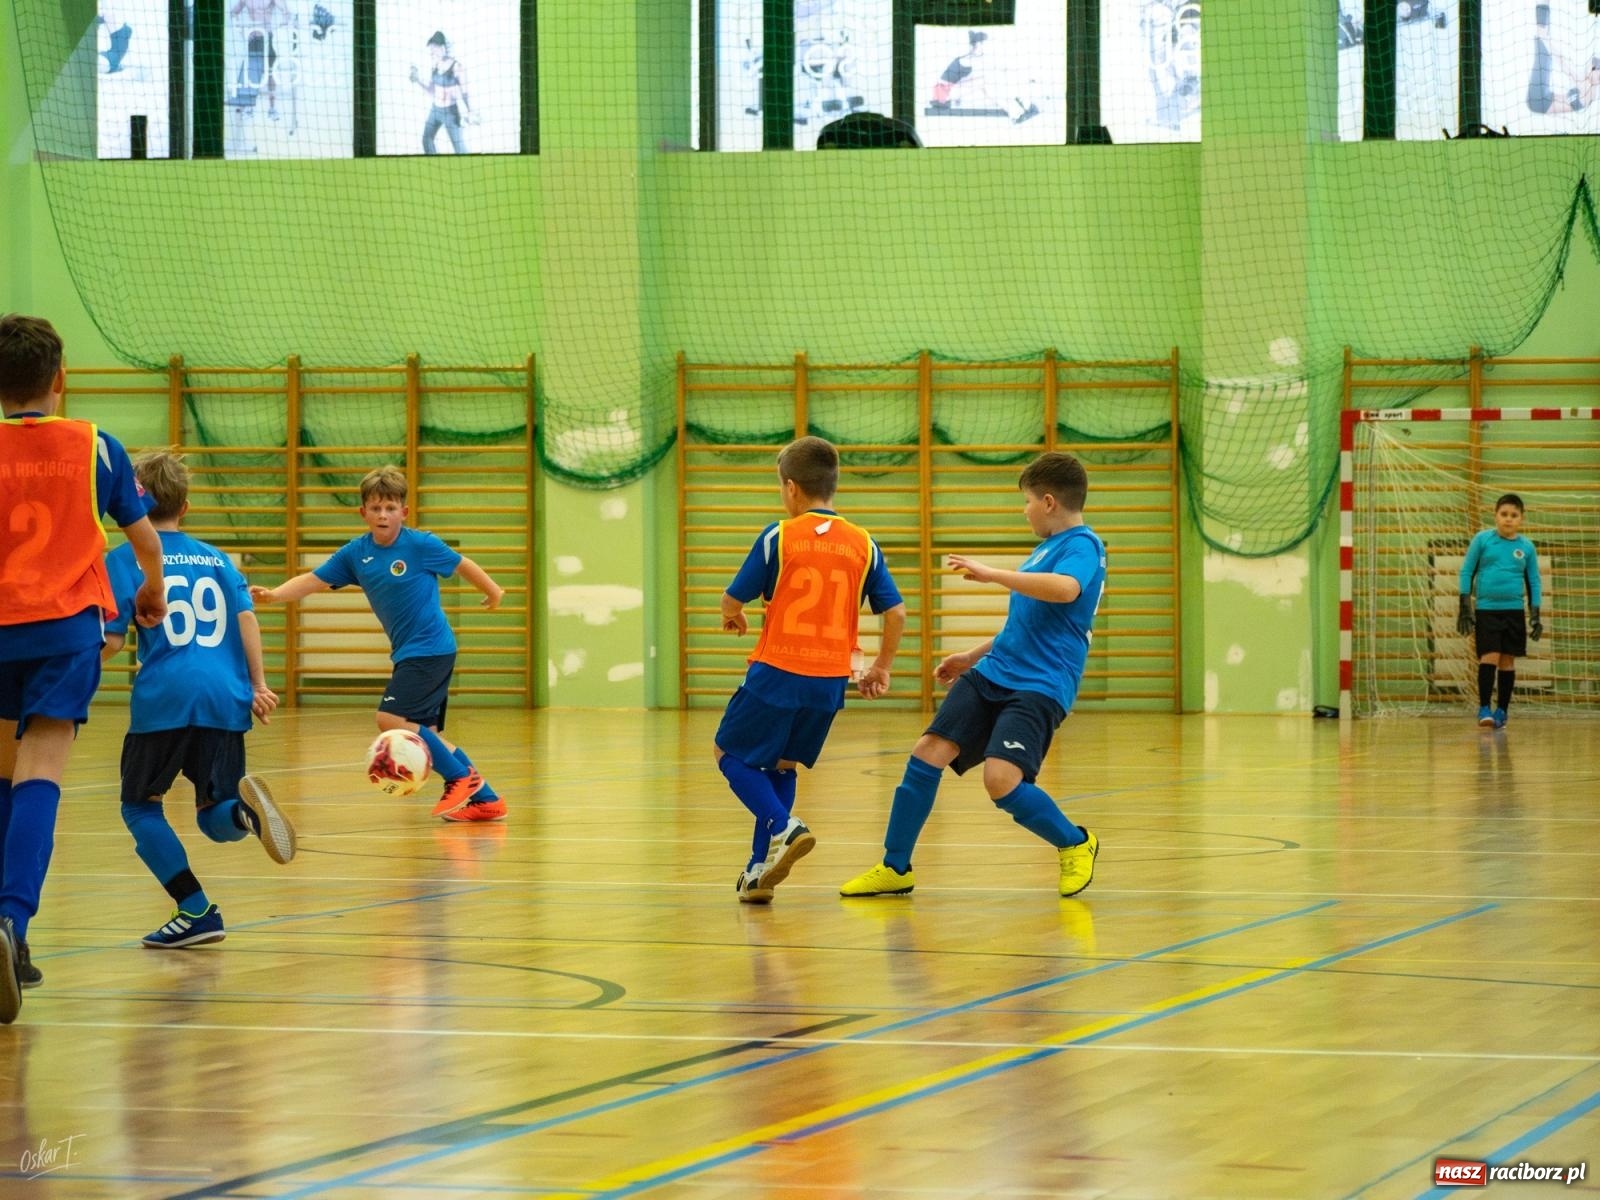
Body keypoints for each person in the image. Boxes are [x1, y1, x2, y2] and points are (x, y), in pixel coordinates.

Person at [840, 451, 1106, 899]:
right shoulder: (1044, 550)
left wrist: (994, 574)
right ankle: (894, 866)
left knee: (1001, 781)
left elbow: (1066, 590)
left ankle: (1076, 843)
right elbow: (1025, 625)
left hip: (1039, 686)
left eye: (1025, 503)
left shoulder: (1083, 546)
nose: (1023, 512)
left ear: (1047, 501)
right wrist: (971, 655)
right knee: (927, 753)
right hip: (994, 672)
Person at [0, 314, 166, 1024]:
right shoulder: (96, 446)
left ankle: (14, 941)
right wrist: (151, 590)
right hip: (64, 629)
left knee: (3, 774)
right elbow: (144, 540)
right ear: (60, 380)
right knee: (40, 770)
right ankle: (11, 924)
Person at [102, 450, 296, 949]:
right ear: (184, 506)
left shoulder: (125, 558)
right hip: (225, 695)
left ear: (133, 502)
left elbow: (112, 638)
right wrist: (258, 685)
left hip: (166, 695)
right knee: (215, 813)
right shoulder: (216, 558)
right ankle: (244, 816)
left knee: (140, 808)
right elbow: (247, 619)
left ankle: (195, 909)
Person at [249, 466, 507, 820]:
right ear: (363, 513)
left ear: (404, 511)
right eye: (375, 508)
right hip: (411, 654)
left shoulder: (420, 544)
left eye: (390, 508)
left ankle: (461, 779)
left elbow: (463, 564)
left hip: (430, 649)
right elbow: (314, 579)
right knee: (426, 734)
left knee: (390, 718)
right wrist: (274, 595)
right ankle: (487, 801)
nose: (383, 515)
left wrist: (493, 591)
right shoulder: (356, 554)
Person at [717, 436, 906, 903]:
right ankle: (759, 871)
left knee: (729, 755)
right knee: (781, 763)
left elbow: (732, 597)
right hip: (829, 681)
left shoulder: (778, 536)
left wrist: (733, 613)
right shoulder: (864, 543)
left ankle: (785, 826)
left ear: (791, 489)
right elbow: (896, 612)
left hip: (777, 669)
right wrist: (881, 667)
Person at [1457, 493, 1542, 730]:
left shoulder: (1526, 547)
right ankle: (1484, 707)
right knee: (1490, 656)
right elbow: (1466, 572)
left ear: (1521, 519)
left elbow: (1534, 581)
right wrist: (1465, 606)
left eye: (1514, 515)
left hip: (1514, 611)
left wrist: (1535, 614)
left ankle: (1502, 710)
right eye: (1504, 514)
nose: (1508, 519)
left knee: (1507, 661)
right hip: (1487, 610)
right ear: (1495, 515)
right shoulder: (1482, 540)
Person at [1527, 4, 1600, 117]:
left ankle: (1542, 6)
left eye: (1593, 68)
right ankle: (1543, 6)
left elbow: (1563, 63)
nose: (1589, 68)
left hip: (1538, 102)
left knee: (1544, 48)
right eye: (1592, 66)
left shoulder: (1587, 90)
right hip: (1545, 96)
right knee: (1544, 46)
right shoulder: (1586, 82)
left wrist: (1545, 39)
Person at [409, 31, 475, 155]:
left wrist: (470, 111)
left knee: (460, 150)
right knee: (426, 140)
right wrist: (417, 79)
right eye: (431, 49)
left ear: (443, 48)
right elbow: (431, 90)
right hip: (435, 111)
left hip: (450, 114)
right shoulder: (435, 65)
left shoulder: (457, 67)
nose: (432, 52)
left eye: (434, 48)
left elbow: (465, 93)